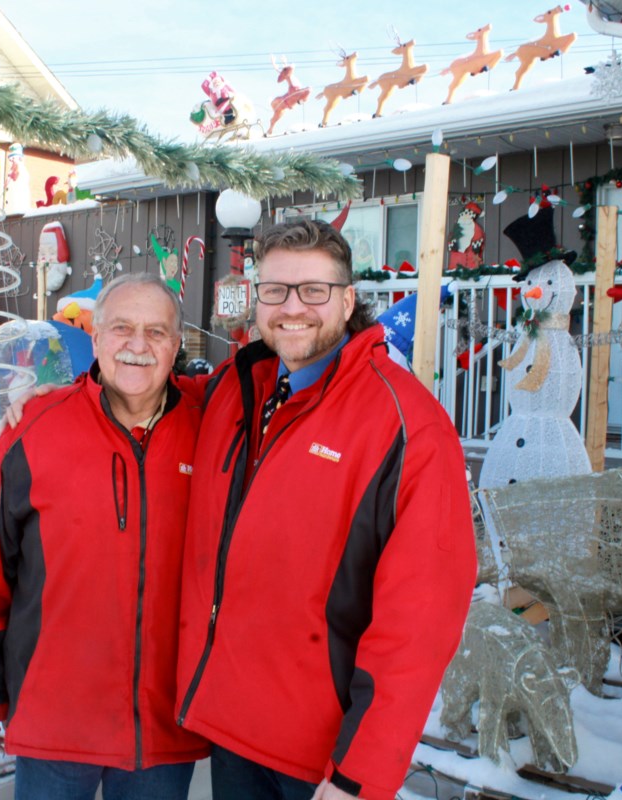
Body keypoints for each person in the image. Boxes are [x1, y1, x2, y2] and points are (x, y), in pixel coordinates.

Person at [175, 219, 476, 800]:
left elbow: (420, 623)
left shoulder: (407, 425)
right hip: (231, 730)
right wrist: (55, 390)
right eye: (275, 290)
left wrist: (360, 771)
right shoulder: (237, 390)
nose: (293, 308)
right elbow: (144, 398)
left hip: (320, 761)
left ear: (347, 301)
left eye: (313, 290)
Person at [0, 273, 207, 800]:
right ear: (96, 336)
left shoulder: (212, 425)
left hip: (162, 731)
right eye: (122, 328)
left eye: (156, 332)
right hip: (55, 724)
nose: (138, 345)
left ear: (176, 345)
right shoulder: (37, 426)